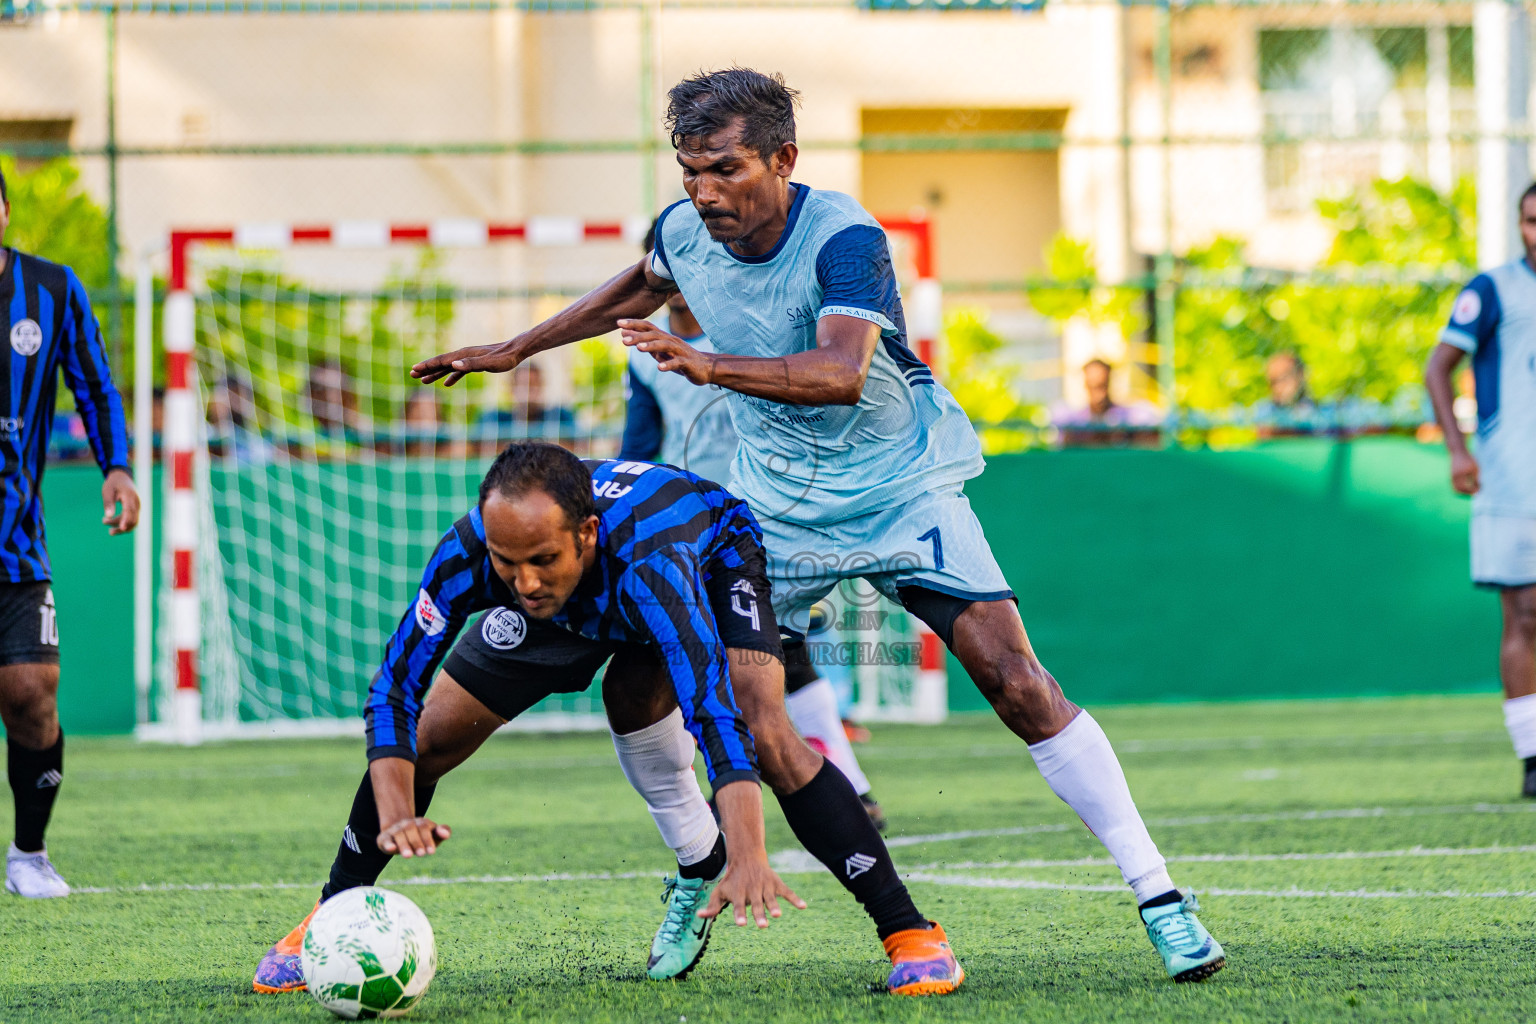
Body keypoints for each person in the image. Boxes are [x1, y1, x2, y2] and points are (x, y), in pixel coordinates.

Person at [412, 68, 1225, 984]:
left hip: (901, 489)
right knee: (649, 686)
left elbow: (841, 371)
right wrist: (515, 348)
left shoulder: (845, 238)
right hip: (771, 511)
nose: (703, 191)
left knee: (1015, 679)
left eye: (724, 169)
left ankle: (1161, 897)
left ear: (784, 158)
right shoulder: (687, 231)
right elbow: (633, 290)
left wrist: (709, 366)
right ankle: (702, 868)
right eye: (688, 171)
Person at [252, 445, 962, 996]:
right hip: (587, 599)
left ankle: (909, 932)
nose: (524, 581)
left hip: (709, 560)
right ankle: (330, 915)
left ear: (586, 533)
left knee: (763, 728)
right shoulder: (472, 556)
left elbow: (713, 711)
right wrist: (398, 811)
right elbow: (394, 690)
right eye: (507, 563)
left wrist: (752, 855)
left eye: (541, 560)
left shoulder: (655, 570)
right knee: (430, 739)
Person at [621, 216, 886, 829]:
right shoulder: (643, 352)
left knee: (778, 648)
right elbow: (641, 444)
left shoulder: (738, 331)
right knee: (723, 654)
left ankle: (835, 792)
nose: (683, 284)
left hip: (763, 508)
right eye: (670, 272)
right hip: (689, 523)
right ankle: (751, 791)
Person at [0, 164, 139, 898]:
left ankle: (29, 853)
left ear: (4, 210)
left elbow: (94, 381)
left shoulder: (48, 291)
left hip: (12, 540)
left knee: (30, 690)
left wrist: (115, 466)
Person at [1426, 181, 1536, 797]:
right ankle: (1533, 758)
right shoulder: (1492, 290)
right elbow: (1437, 364)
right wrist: (1457, 447)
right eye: (1529, 220)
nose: (1535, 232)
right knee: (1524, 612)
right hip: (1512, 482)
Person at [1053, 358, 1161, 447]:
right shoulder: (1075, 422)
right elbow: (1063, 450)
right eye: (1093, 387)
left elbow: (1154, 439)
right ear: (1086, 385)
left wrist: (1128, 437)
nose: (1100, 395)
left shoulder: (1127, 416)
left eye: (1103, 386)